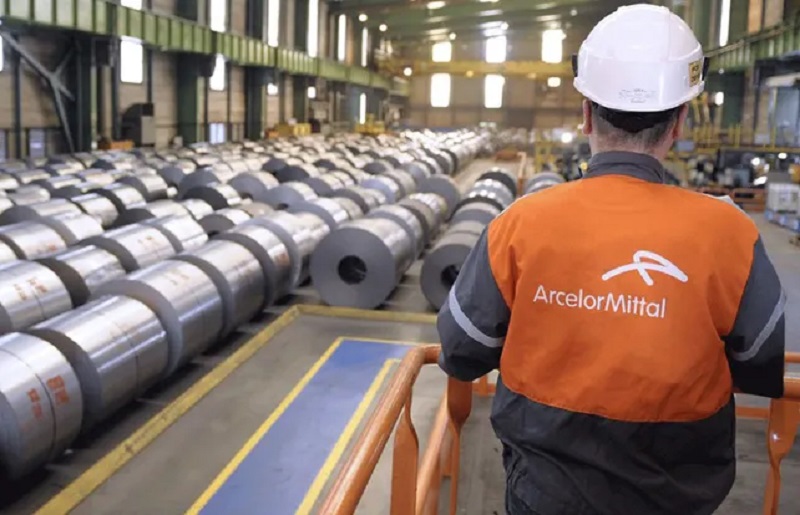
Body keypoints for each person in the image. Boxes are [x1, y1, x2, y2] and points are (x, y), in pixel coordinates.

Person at [437, 4, 786, 515]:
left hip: (542, 492)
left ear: (585, 115)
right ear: (679, 122)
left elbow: (462, 350)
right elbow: (759, 363)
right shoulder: (731, 233)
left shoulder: (519, 224)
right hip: (679, 495)